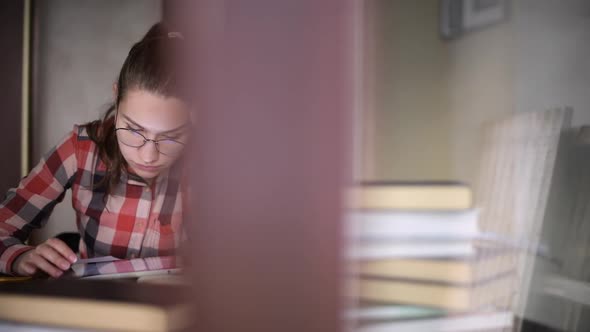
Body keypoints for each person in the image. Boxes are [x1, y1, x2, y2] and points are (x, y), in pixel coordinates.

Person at [0, 22, 191, 278]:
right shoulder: (81, 148)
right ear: (116, 96)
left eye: (171, 137)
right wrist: (19, 256)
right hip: (94, 307)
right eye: (133, 130)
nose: (148, 156)